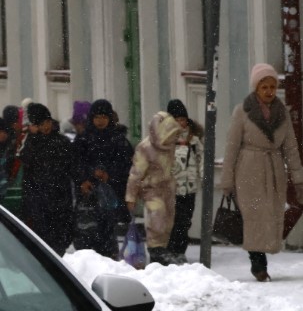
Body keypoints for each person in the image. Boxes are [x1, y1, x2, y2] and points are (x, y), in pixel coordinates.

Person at [220, 63, 303, 282]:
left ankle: (261, 257)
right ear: (255, 88)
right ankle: (258, 264)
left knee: (270, 213)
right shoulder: (243, 111)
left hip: (274, 169)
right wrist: (227, 179)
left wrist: (297, 177)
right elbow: (231, 147)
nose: (269, 91)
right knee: (253, 215)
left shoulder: (282, 112)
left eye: (272, 87)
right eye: (264, 87)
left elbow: (290, 147)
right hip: (248, 169)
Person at [125, 111, 181, 266]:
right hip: (151, 189)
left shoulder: (169, 146)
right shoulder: (145, 148)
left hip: (167, 187)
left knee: (168, 218)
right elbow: (135, 174)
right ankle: (155, 249)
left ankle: (162, 248)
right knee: (157, 215)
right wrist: (131, 196)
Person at [18, 102, 74, 255]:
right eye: (41, 124)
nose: (45, 127)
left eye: (47, 122)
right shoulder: (31, 143)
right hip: (39, 202)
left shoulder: (62, 142)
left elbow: (71, 167)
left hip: (60, 199)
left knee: (58, 242)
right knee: (41, 244)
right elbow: (26, 165)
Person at [72, 99, 135, 231]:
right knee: (88, 233)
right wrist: (86, 177)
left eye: (104, 117)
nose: (100, 121)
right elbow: (75, 163)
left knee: (109, 233)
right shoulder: (83, 139)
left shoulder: (118, 140)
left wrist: (110, 176)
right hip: (88, 195)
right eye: (97, 117)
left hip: (113, 195)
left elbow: (126, 166)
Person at [164, 99, 204, 264]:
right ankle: (171, 249)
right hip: (173, 188)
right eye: (176, 120)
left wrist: (203, 176)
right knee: (173, 220)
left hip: (190, 187)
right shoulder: (166, 140)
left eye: (182, 119)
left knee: (185, 220)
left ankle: (180, 250)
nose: (180, 123)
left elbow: (201, 159)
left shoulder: (194, 141)